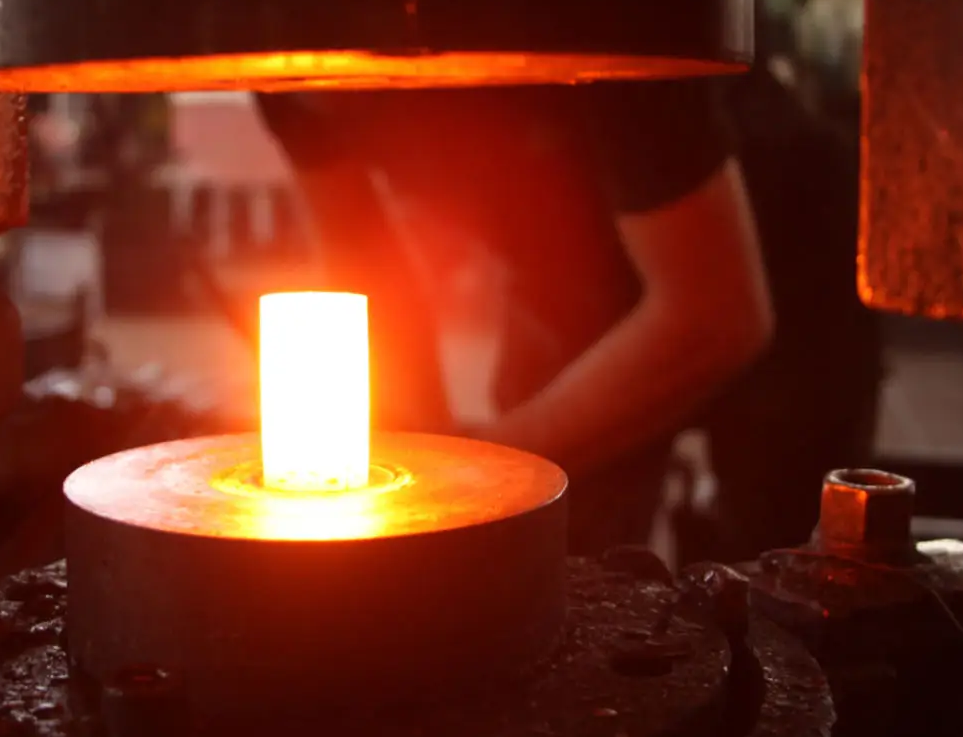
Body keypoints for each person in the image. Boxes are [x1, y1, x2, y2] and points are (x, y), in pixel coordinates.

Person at [254, 54, 882, 562]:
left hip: (784, 251)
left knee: (777, 578)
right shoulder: (275, 57)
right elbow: (363, 270)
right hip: (562, 262)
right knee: (550, 555)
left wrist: (482, 467)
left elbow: (719, 315)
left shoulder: (590, 17)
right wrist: (416, 459)